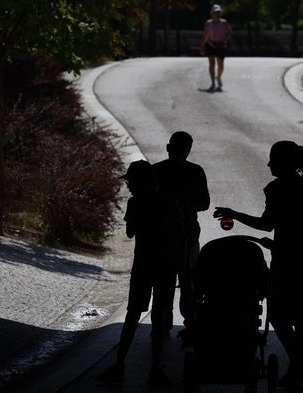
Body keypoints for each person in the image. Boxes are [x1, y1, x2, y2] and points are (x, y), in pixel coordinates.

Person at [213, 141, 303, 393]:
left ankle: (298, 366)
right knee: (302, 317)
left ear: (283, 162)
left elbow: (267, 224)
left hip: (288, 258)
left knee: (278, 316)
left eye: (272, 160)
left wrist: (234, 214)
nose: (268, 164)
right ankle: (298, 367)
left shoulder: (276, 189)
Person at [96, 160, 185, 388]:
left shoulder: (136, 203)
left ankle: (119, 365)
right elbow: (181, 237)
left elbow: (130, 231)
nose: (129, 187)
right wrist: (182, 268)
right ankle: (155, 368)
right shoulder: (169, 202)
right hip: (166, 265)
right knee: (158, 316)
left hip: (144, 264)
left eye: (131, 182)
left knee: (133, 314)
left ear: (141, 182)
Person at [153, 131, 210, 343]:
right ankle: (187, 322)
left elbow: (204, 203)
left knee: (169, 280)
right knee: (186, 279)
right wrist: (188, 207)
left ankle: (166, 322)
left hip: (169, 234)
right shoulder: (195, 171)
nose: (180, 154)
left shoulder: (156, 171)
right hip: (183, 233)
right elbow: (204, 203)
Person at [199, 4, 233, 92]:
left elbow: (229, 33)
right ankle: (213, 83)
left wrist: (225, 40)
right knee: (212, 63)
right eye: (215, 12)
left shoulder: (224, 23)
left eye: (218, 12)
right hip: (211, 44)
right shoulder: (208, 23)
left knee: (220, 65)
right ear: (212, 13)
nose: (216, 14)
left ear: (220, 13)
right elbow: (206, 35)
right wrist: (202, 46)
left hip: (220, 44)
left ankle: (218, 77)